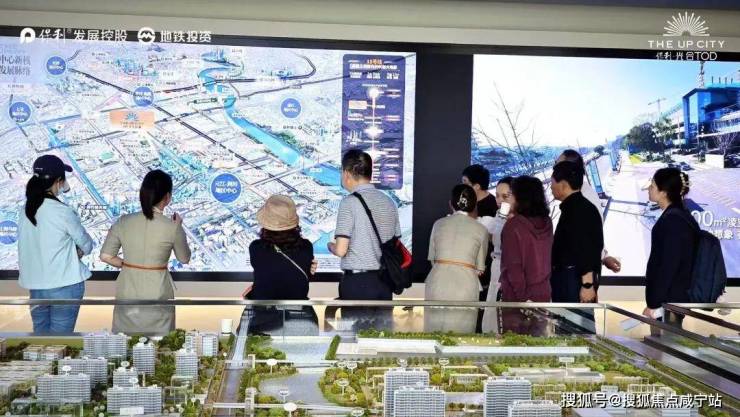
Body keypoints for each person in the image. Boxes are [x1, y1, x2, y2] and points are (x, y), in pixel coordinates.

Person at [100, 170, 191, 335]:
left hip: (127, 289)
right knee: (160, 343)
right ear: (167, 197)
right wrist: (180, 227)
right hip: (158, 290)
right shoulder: (172, 226)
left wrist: (127, 264)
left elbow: (105, 256)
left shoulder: (124, 221)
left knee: (124, 340)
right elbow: (184, 259)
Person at [18, 155, 94, 334]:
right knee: (60, 339)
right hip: (64, 284)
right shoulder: (61, 211)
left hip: (36, 286)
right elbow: (86, 244)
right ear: (59, 181)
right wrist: (77, 252)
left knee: (40, 338)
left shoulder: (25, 209)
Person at [329, 149, 401, 330]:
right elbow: (395, 242)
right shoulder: (389, 202)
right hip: (384, 282)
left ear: (347, 173)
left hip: (357, 284)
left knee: (355, 338)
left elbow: (341, 250)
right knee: (382, 337)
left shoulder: (349, 203)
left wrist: (330, 245)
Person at [245, 195, 318, 335]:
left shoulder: (256, 248)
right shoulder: (306, 247)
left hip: (263, 320)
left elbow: (271, 276)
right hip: (300, 320)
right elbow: (297, 279)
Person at [425, 184, 489, 333]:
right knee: (461, 334)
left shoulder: (438, 224)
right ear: (474, 205)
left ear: (451, 203)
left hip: (437, 282)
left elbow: (432, 258)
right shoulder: (481, 229)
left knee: (433, 331)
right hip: (465, 285)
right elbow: (480, 267)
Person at [551, 161, 603, 332]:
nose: (550, 187)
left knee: (575, 333)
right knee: (570, 332)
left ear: (563, 184)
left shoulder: (579, 210)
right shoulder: (576, 207)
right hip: (569, 280)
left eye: (552, 182)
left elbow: (587, 250)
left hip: (573, 282)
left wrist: (587, 285)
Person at [644, 168, 699, 329]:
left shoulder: (673, 221)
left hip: (669, 301)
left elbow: (668, 266)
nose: (649, 189)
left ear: (664, 192)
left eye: (652, 186)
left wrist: (654, 303)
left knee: (668, 341)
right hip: (670, 299)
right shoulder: (680, 215)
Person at [499, 176, 553, 335]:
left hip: (517, 298)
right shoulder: (548, 223)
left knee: (515, 345)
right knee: (539, 343)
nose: (509, 199)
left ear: (520, 197)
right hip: (542, 293)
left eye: (511, 194)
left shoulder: (513, 226)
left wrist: (524, 299)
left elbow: (513, 267)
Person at [556, 149, 621, 274]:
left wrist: (603, 256)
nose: (555, 170)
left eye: (558, 166)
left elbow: (591, 235)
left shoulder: (583, 198)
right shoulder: (577, 194)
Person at [461, 164, 497, 330]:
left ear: (476, 186)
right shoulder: (467, 202)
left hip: (484, 264)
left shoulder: (491, 206)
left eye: (465, 182)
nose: (462, 186)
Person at [480, 176, 514, 333]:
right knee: (492, 309)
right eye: (497, 196)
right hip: (496, 266)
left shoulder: (520, 221)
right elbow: (496, 239)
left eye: (505, 196)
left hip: (510, 269)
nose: (500, 201)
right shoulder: (500, 214)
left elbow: (499, 239)